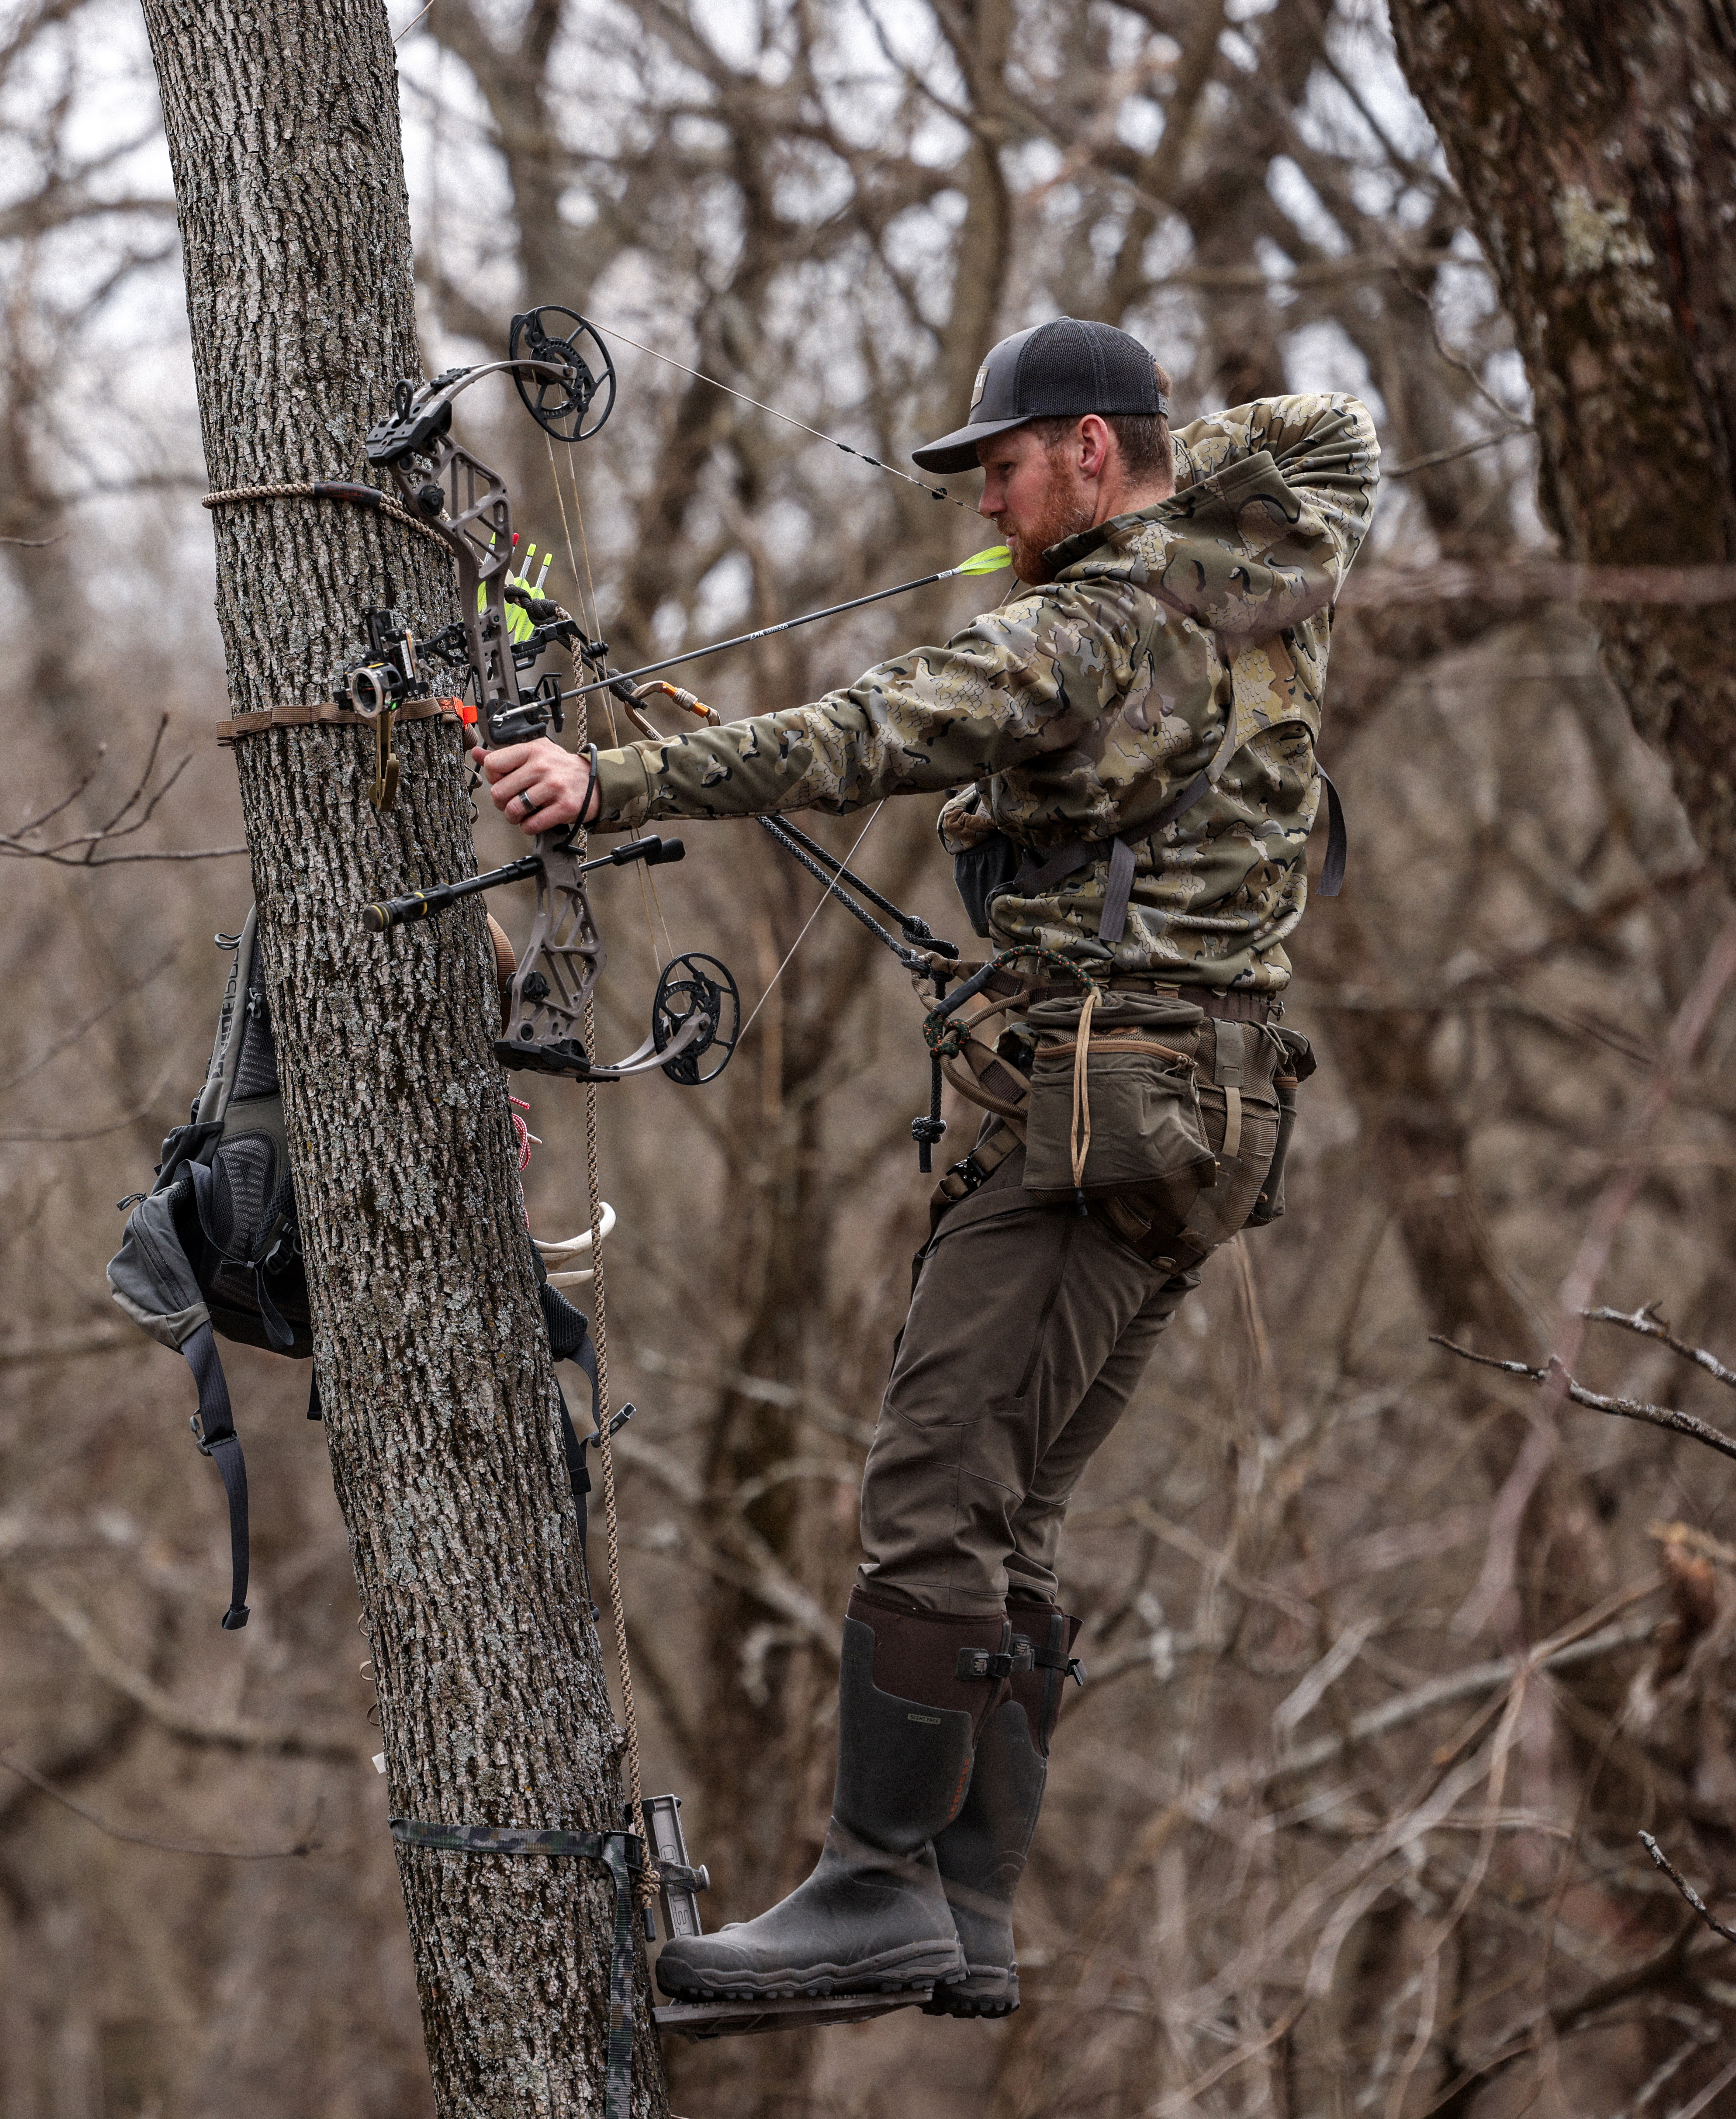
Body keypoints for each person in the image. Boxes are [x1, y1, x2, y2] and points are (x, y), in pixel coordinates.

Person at [478, 318, 1377, 2018]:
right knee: (1005, 1515)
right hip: (1205, 1120)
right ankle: (963, 1913)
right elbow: (1327, 427)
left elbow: (860, 732)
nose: (987, 498)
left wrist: (604, 779)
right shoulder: (1272, 565)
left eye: (1007, 466)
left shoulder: (1094, 626)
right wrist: (1166, 479)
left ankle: (875, 1882)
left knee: (923, 1500)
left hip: (1092, 1116)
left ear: (1094, 451)